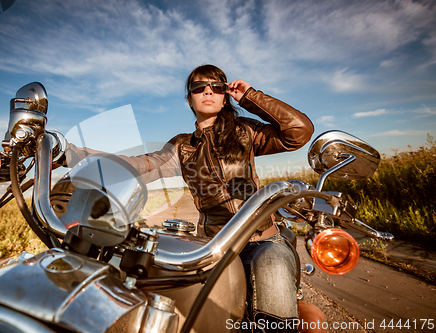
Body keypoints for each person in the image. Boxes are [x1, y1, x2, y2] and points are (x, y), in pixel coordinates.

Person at [64, 64, 322, 332]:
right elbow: (140, 164)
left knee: (272, 264)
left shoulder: (246, 132)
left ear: (225, 97)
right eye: (199, 87)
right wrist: (71, 155)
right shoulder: (183, 146)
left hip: (262, 239)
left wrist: (250, 96)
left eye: (216, 87)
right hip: (215, 245)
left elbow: (299, 132)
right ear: (190, 99)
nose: (207, 91)